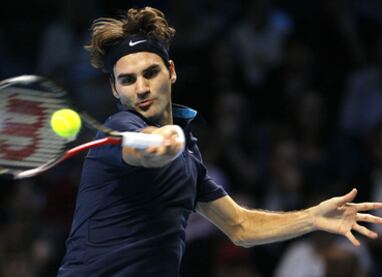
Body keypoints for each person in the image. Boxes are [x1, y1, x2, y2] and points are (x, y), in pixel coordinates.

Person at [57, 7, 382, 277]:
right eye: (127, 80)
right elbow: (144, 149)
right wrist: (165, 140)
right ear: (114, 89)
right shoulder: (119, 129)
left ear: (171, 71)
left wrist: (312, 218)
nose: (140, 88)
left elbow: (241, 226)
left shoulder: (190, 159)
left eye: (150, 73)